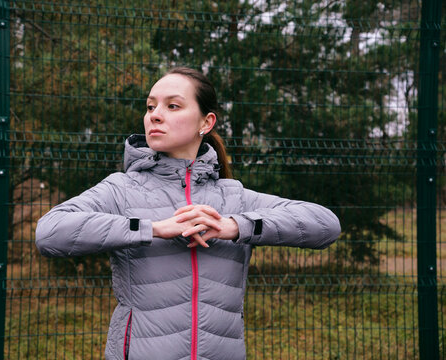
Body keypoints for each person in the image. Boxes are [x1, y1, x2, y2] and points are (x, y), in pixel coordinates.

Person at [35, 67, 341, 360]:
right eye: (151, 106)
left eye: (172, 106)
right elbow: (50, 232)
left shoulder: (233, 196)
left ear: (205, 123)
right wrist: (151, 228)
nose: (154, 115)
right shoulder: (121, 189)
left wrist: (234, 225)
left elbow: (325, 224)